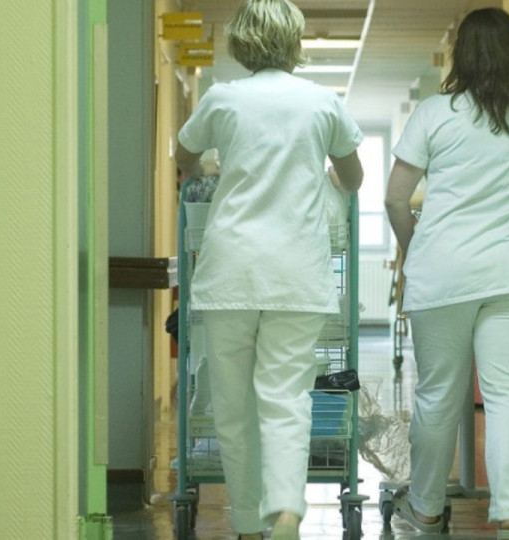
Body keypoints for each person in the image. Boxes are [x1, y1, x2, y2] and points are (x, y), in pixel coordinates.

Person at [174, 0, 364, 538]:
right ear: (295, 42)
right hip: (296, 276)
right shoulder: (321, 103)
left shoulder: (223, 99)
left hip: (231, 271)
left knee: (233, 411)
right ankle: (285, 509)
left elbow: (183, 157)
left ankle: (249, 525)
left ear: (241, 43)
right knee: (285, 400)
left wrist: (215, 164)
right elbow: (353, 176)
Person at [384, 7, 509, 540]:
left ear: (462, 54)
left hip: (443, 274)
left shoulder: (434, 113)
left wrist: (414, 247)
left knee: (437, 397)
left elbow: (395, 198)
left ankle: (426, 510)